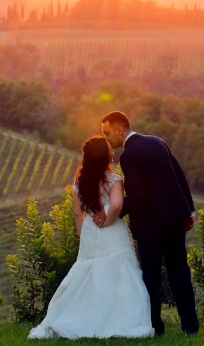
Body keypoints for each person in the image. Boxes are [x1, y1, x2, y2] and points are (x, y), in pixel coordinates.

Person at [27, 136, 154, 340]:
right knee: (119, 272)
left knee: (87, 272)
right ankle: (118, 320)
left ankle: (81, 317)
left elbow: (79, 213)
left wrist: (83, 235)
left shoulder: (79, 181)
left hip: (89, 232)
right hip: (111, 231)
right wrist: (108, 219)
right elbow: (116, 206)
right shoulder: (114, 180)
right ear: (106, 157)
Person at [96, 111, 200, 336]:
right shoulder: (157, 142)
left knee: (150, 277)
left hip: (150, 226)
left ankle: (156, 327)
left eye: (107, 133)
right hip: (174, 219)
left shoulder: (129, 154)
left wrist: (113, 215)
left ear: (120, 129)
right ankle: (190, 326)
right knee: (180, 272)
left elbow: (137, 194)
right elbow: (179, 176)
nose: (107, 139)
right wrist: (189, 210)